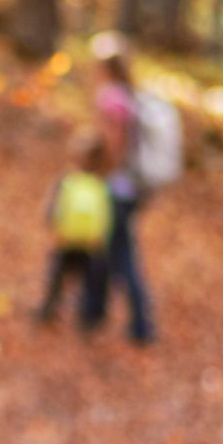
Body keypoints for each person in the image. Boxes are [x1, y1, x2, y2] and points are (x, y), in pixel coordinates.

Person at [86, 36, 161, 345]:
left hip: (117, 185)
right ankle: (93, 312)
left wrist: (102, 171)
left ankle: (141, 325)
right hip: (130, 185)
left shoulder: (111, 98)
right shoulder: (130, 95)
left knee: (121, 253)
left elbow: (115, 143)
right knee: (108, 247)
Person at [35, 131, 115, 327]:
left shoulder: (67, 181)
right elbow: (106, 214)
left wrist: (52, 225)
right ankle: (86, 318)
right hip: (90, 243)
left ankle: (48, 311)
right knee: (87, 281)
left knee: (57, 277)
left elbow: (53, 208)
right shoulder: (102, 185)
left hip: (66, 239)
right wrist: (103, 237)